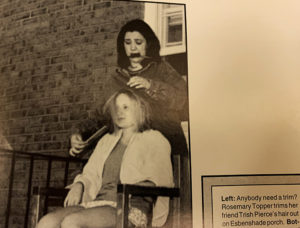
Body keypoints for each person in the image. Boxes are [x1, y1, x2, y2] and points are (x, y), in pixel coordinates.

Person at [69, 19, 191, 226]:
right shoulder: (116, 78)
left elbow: (184, 99)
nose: (133, 48)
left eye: (138, 42)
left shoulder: (161, 69)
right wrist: (78, 134)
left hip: (163, 147)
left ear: (148, 44)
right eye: (127, 42)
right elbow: (99, 113)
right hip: (125, 148)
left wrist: (151, 86)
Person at [36, 89, 174, 228]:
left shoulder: (154, 139)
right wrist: (80, 185)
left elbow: (160, 179)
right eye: (116, 108)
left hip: (130, 208)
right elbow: (91, 173)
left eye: (126, 107)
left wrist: (130, 193)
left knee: (72, 222)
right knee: (46, 223)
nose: (120, 112)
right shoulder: (106, 140)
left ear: (138, 109)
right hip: (98, 203)